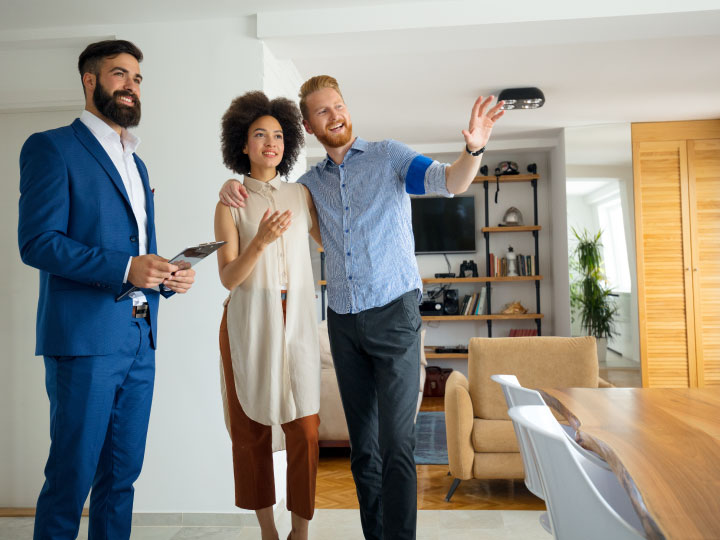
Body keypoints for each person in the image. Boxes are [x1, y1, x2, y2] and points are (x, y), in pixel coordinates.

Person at [219, 75, 504, 540]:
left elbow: (449, 182)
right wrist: (230, 189)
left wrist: (472, 151)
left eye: (339, 105)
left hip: (395, 315)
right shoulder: (309, 186)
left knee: (397, 444)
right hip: (345, 323)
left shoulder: (389, 156)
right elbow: (271, 210)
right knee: (364, 450)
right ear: (309, 126)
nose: (335, 115)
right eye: (322, 111)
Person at [18, 40, 195, 540]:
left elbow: (143, 255)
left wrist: (170, 278)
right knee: (70, 480)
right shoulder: (51, 147)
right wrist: (124, 269)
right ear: (90, 81)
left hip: (140, 340)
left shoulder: (137, 164)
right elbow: (37, 243)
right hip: (85, 343)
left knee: (121, 480)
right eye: (120, 75)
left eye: (138, 79)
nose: (132, 87)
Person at [214, 91, 323, 540]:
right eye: (259, 135)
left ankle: (301, 530)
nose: (270, 143)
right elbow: (228, 278)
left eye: (278, 135)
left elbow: (330, 243)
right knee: (251, 431)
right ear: (243, 144)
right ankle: (267, 531)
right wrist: (258, 241)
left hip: (296, 317)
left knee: (306, 428)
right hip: (248, 320)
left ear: (289, 143)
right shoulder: (230, 201)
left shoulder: (301, 195)